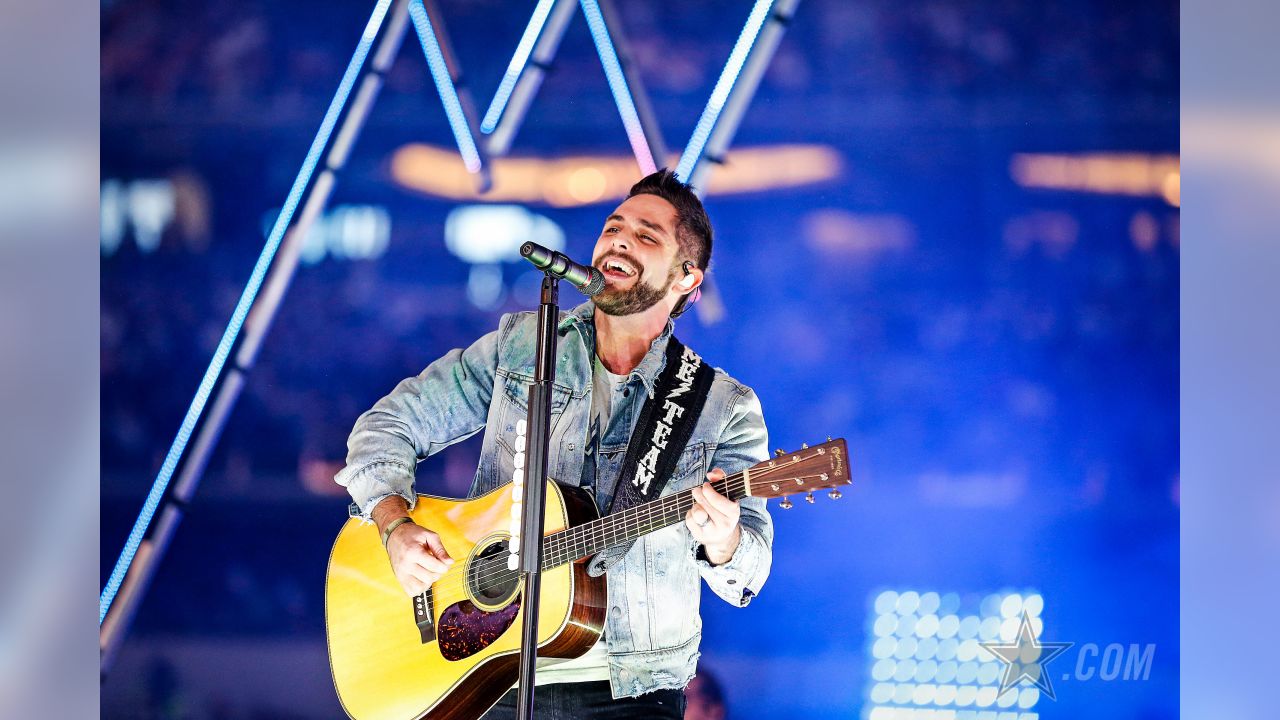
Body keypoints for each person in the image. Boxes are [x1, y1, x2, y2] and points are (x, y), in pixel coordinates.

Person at [335, 169, 772, 719]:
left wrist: (725, 540)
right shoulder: (522, 347)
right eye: (615, 227)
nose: (619, 239)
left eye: (646, 236)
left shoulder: (721, 407)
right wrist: (395, 526)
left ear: (687, 279)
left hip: (630, 689)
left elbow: (748, 576)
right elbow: (385, 427)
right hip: (492, 671)